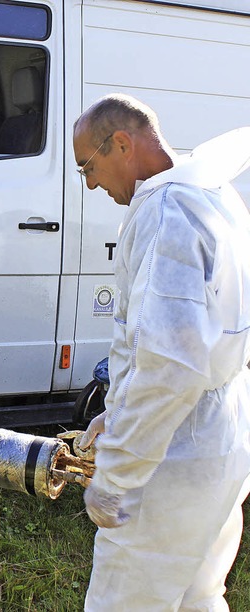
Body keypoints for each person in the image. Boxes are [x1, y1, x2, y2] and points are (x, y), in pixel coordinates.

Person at [73, 93, 250, 610]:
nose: (90, 184)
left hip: (173, 459)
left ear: (122, 143)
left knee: (123, 599)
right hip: (220, 440)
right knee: (198, 595)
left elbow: (171, 363)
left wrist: (119, 474)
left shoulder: (167, 211)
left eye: (89, 166)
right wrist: (114, 410)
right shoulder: (211, 193)